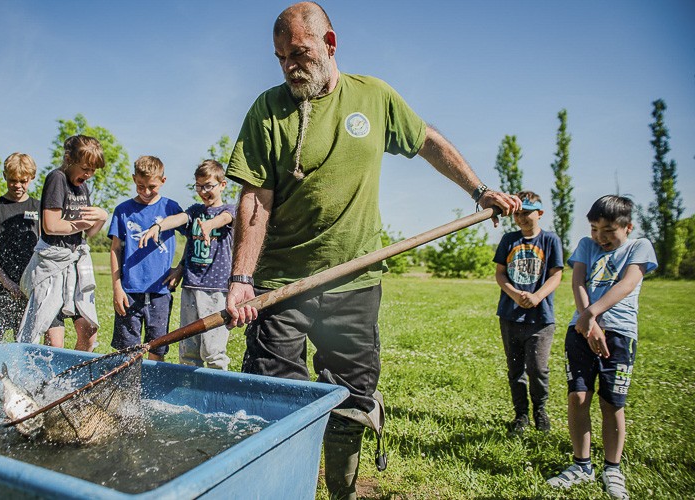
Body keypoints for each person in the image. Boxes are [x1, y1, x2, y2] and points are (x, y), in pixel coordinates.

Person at [223, 3, 521, 498]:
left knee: (352, 401)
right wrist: (240, 279)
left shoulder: (374, 97)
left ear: (329, 44)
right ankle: (282, 488)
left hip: (353, 284)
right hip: (280, 285)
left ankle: (339, 490)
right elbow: (255, 198)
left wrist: (478, 190)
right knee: (274, 398)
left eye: (299, 53)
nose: (289, 66)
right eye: (280, 58)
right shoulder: (267, 110)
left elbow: (427, 141)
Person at [547, 195, 657, 499]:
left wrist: (593, 314)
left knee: (612, 403)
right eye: (595, 228)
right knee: (578, 396)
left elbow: (628, 283)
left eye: (608, 230)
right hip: (580, 330)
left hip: (619, 334)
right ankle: (582, 466)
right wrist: (588, 322)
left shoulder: (639, 247)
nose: (600, 237)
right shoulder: (586, 244)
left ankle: (612, 468)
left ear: (627, 226)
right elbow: (578, 282)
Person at [139, 159, 236, 369]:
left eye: (208, 185)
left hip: (216, 289)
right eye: (199, 186)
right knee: (189, 350)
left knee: (212, 350)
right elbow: (179, 218)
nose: (203, 191)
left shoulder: (229, 210)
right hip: (191, 286)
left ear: (222, 184)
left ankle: (216, 394)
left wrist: (210, 224)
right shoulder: (194, 211)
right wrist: (159, 226)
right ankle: (189, 393)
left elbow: (225, 219)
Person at [17, 135, 109, 351]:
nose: (88, 174)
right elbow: (51, 225)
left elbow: (89, 233)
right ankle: (47, 381)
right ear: (69, 158)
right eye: (85, 168)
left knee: (88, 330)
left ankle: (74, 378)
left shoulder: (83, 188)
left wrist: (103, 217)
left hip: (75, 263)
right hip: (53, 263)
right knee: (53, 341)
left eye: (93, 170)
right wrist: (81, 224)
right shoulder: (57, 178)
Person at [493, 191, 563, 434]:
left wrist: (536, 296)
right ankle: (520, 415)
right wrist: (514, 294)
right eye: (518, 214)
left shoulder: (550, 240)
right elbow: (500, 273)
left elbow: (556, 274)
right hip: (510, 315)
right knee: (515, 368)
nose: (521, 218)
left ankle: (540, 410)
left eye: (527, 213)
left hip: (540, 317)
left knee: (537, 368)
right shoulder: (509, 240)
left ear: (540, 213)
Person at [108, 155, 183, 361]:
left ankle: (151, 391)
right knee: (127, 353)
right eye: (140, 186)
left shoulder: (171, 208)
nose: (146, 192)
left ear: (163, 181)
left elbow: (193, 238)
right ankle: (127, 391)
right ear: (133, 179)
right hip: (129, 292)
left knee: (157, 349)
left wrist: (180, 268)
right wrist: (117, 287)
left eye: (152, 186)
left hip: (160, 292)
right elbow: (115, 249)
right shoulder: (122, 211)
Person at [0, 152, 41, 345]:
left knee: (25, 341)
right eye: (13, 180)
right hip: (0, 281)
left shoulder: (38, 207)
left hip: (29, 284)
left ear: (31, 178)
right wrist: (7, 283)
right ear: (5, 176)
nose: (18, 186)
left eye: (23, 181)